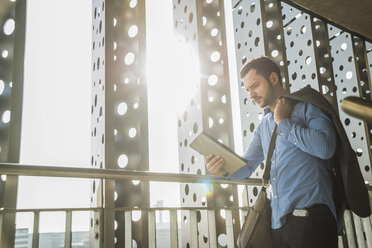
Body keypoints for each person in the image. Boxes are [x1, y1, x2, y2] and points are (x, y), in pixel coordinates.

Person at [206, 57, 339, 248]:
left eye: (255, 86)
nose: (251, 95)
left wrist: (283, 122)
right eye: (248, 90)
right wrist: (223, 170)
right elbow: (247, 165)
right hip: (277, 225)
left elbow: (325, 148)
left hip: (312, 219)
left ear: (274, 78)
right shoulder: (263, 126)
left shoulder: (308, 107)